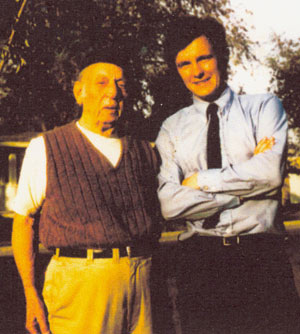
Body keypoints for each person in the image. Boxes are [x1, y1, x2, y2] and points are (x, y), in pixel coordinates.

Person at [156, 16, 300, 334]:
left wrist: (200, 181)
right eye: (184, 63)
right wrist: (243, 190)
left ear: (222, 55)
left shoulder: (264, 108)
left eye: (204, 58)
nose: (197, 71)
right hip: (200, 264)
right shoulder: (171, 129)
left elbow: (271, 175)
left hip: (261, 258)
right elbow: (169, 205)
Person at [11, 59, 161, 334]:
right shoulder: (47, 147)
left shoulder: (144, 150)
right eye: (102, 83)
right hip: (80, 284)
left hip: (142, 280)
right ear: (79, 92)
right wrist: (30, 293)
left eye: (121, 85)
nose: (113, 93)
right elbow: (23, 222)